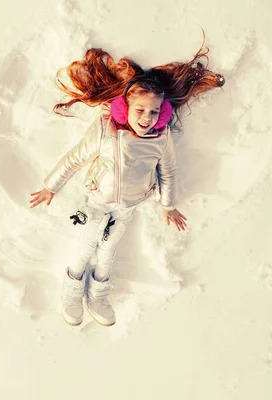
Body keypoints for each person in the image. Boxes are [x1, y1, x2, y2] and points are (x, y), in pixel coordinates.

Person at [29, 45, 225, 326]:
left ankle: (97, 294)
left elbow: (168, 171)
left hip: (127, 208)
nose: (147, 118)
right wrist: (51, 186)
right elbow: (75, 158)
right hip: (96, 201)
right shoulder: (106, 130)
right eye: (141, 110)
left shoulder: (161, 137)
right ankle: (71, 290)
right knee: (86, 244)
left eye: (155, 111)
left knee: (107, 251)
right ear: (125, 108)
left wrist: (168, 205)